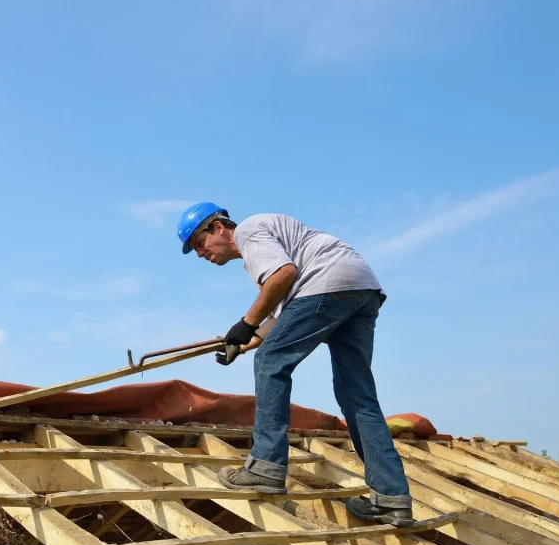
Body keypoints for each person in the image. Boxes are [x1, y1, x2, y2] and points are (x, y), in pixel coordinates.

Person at [177, 202, 413, 526]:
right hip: (359, 286)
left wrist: (246, 322)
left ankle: (265, 466)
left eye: (199, 243)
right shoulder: (264, 245)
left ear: (218, 227)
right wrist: (242, 343)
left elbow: (284, 276)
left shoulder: (246, 232)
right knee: (356, 396)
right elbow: (280, 315)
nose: (201, 253)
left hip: (326, 282)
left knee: (271, 363)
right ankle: (391, 498)